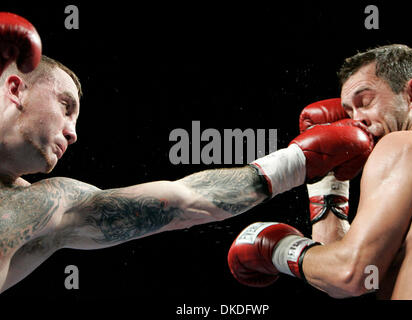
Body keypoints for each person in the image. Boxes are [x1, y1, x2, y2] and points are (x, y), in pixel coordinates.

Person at [0, 12, 373, 293]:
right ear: (15, 88)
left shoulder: (50, 203)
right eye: (66, 107)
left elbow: (184, 201)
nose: (73, 132)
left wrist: (300, 161)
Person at [228, 44, 412, 300]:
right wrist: (329, 178)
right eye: (349, 111)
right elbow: (340, 273)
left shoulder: (404, 144)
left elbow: (351, 274)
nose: (357, 120)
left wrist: (278, 249)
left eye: (365, 102)